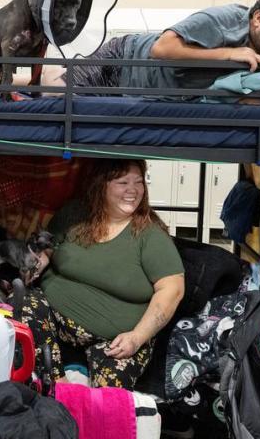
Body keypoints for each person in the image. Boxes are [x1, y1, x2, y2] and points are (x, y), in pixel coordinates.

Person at [20, 159, 185, 388]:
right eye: (123, 182)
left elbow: (172, 290)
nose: (133, 190)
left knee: (109, 397)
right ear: (101, 185)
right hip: (55, 318)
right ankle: (58, 385)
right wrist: (31, 267)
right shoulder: (75, 214)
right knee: (24, 304)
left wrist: (137, 337)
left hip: (117, 339)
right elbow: (47, 249)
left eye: (138, 182)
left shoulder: (150, 235)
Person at [53, 0, 260, 94]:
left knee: (60, 90)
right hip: (124, 59)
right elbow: (162, 48)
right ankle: (20, 78)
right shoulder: (224, 20)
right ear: (259, 19)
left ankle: (31, 79)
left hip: (141, 92)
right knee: (55, 97)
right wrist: (228, 54)